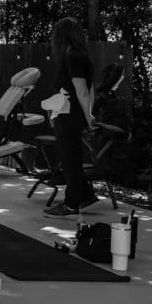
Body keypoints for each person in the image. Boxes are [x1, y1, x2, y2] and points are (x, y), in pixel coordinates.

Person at [43, 17, 97, 218]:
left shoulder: (73, 57)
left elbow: (81, 90)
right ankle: (86, 195)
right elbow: (90, 89)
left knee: (70, 160)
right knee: (71, 157)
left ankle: (72, 204)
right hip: (69, 112)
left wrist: (88, 115)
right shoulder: (82, 55)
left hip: (69, 114)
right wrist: (88, 113)